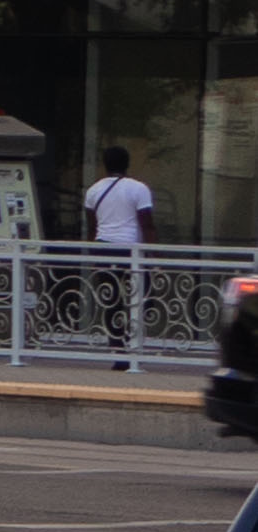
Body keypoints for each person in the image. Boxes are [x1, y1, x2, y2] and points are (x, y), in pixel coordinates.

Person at [87, 143, 155, 366]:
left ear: (104, 165)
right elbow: (147, 225)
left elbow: (92, 227)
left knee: (112, 301)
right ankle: (130, 343)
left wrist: (93, 257)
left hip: (104, 249)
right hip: (130, 251)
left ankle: (118, 350)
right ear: (127, 164)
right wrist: (153, 257)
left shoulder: (93, 190)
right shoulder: (138, 189)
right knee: (143, 298)